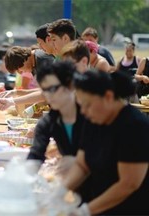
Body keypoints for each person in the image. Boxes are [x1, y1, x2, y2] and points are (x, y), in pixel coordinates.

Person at [63, 70, 149, 215]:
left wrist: (85, 211)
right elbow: (82, 164)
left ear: (108, 97)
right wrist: (62, 189)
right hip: (97, 205)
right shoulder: (93, 119)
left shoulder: (135, 126)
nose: (83, 111)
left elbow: (129, 184)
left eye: (87, 104)